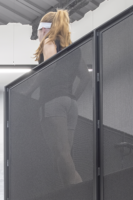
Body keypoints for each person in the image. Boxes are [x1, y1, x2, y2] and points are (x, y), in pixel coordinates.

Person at [34, 9, 92, 186]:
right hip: (70, 105)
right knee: (63, 155)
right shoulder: (73, 49)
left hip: (52, 102)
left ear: (45, 29)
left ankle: (79, 191)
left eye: (39, 30)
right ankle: (69, 191)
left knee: (62, 153)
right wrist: (73, 97)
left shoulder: (49, 42)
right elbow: (86, 77)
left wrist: (28, 89)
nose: (38, 35)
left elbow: (49, 69)